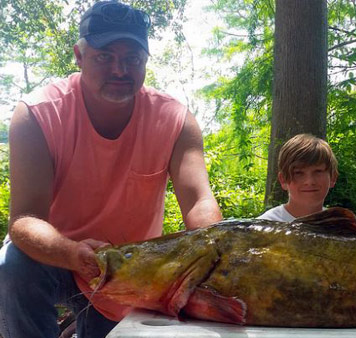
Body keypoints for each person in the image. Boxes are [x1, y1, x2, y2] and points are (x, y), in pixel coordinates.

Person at [0, 2, 222, 337]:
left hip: (128, 270)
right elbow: (24, 220)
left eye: (132, 58)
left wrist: (215, 247)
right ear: (79, 56)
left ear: (146, 60)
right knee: (12, 267)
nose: (120, 70)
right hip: (54, 257)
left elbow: (197, 202)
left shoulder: (175, 120)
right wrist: (73, 253)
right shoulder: (37, 114)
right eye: (105, 56)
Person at [259, 134, 338, 222]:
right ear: (283, 180)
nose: (309, 181)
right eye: (298, 173)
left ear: (333, 177)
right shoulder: (263, 227)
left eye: (318, 171)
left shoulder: (341, 226)